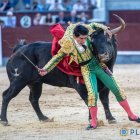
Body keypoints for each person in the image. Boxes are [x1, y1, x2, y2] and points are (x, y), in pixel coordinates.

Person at [38, 22, 140, 130]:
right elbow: (57, 57)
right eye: (81, 39)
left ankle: (131, 115)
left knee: (117, 89)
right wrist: (46, 69)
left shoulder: (86, 30)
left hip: (98, 65)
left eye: (85, 38)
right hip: (87, 70)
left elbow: (94, 24)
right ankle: (94, 123)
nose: (84, 41)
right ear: (75, 36)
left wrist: (106, 29)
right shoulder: (68, 44)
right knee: (92, 95)